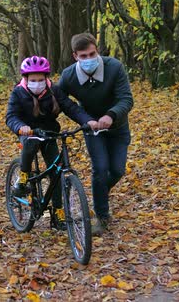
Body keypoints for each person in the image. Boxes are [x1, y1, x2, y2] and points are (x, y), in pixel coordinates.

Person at [6, 55, 97, 229]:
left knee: (56, 173)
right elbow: (11, 116)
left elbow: (71, 108)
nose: (37, 83)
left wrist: (88, 121)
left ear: (47, 77)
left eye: (41, 79)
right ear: (25, 79)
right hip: (29, 131)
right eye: (33, 79)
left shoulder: (54, 91)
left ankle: (58, 213)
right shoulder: (18, 92)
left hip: (49, 132)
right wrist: (21, 127)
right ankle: (23, 176)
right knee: (30, 143)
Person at [58, 33, 133, 235]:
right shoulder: (69, 76)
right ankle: (102, 216)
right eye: (84, 56)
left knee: (117, 170)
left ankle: (100, 194)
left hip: (117, 128)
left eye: (92, 53)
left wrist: (111, 115)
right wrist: (84, 119)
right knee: (100, 169)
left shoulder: (114, 67)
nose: (89, 59)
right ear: (75, 56)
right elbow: (61, 99)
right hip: (92, 129)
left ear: (97, 50)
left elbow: (126, 98)